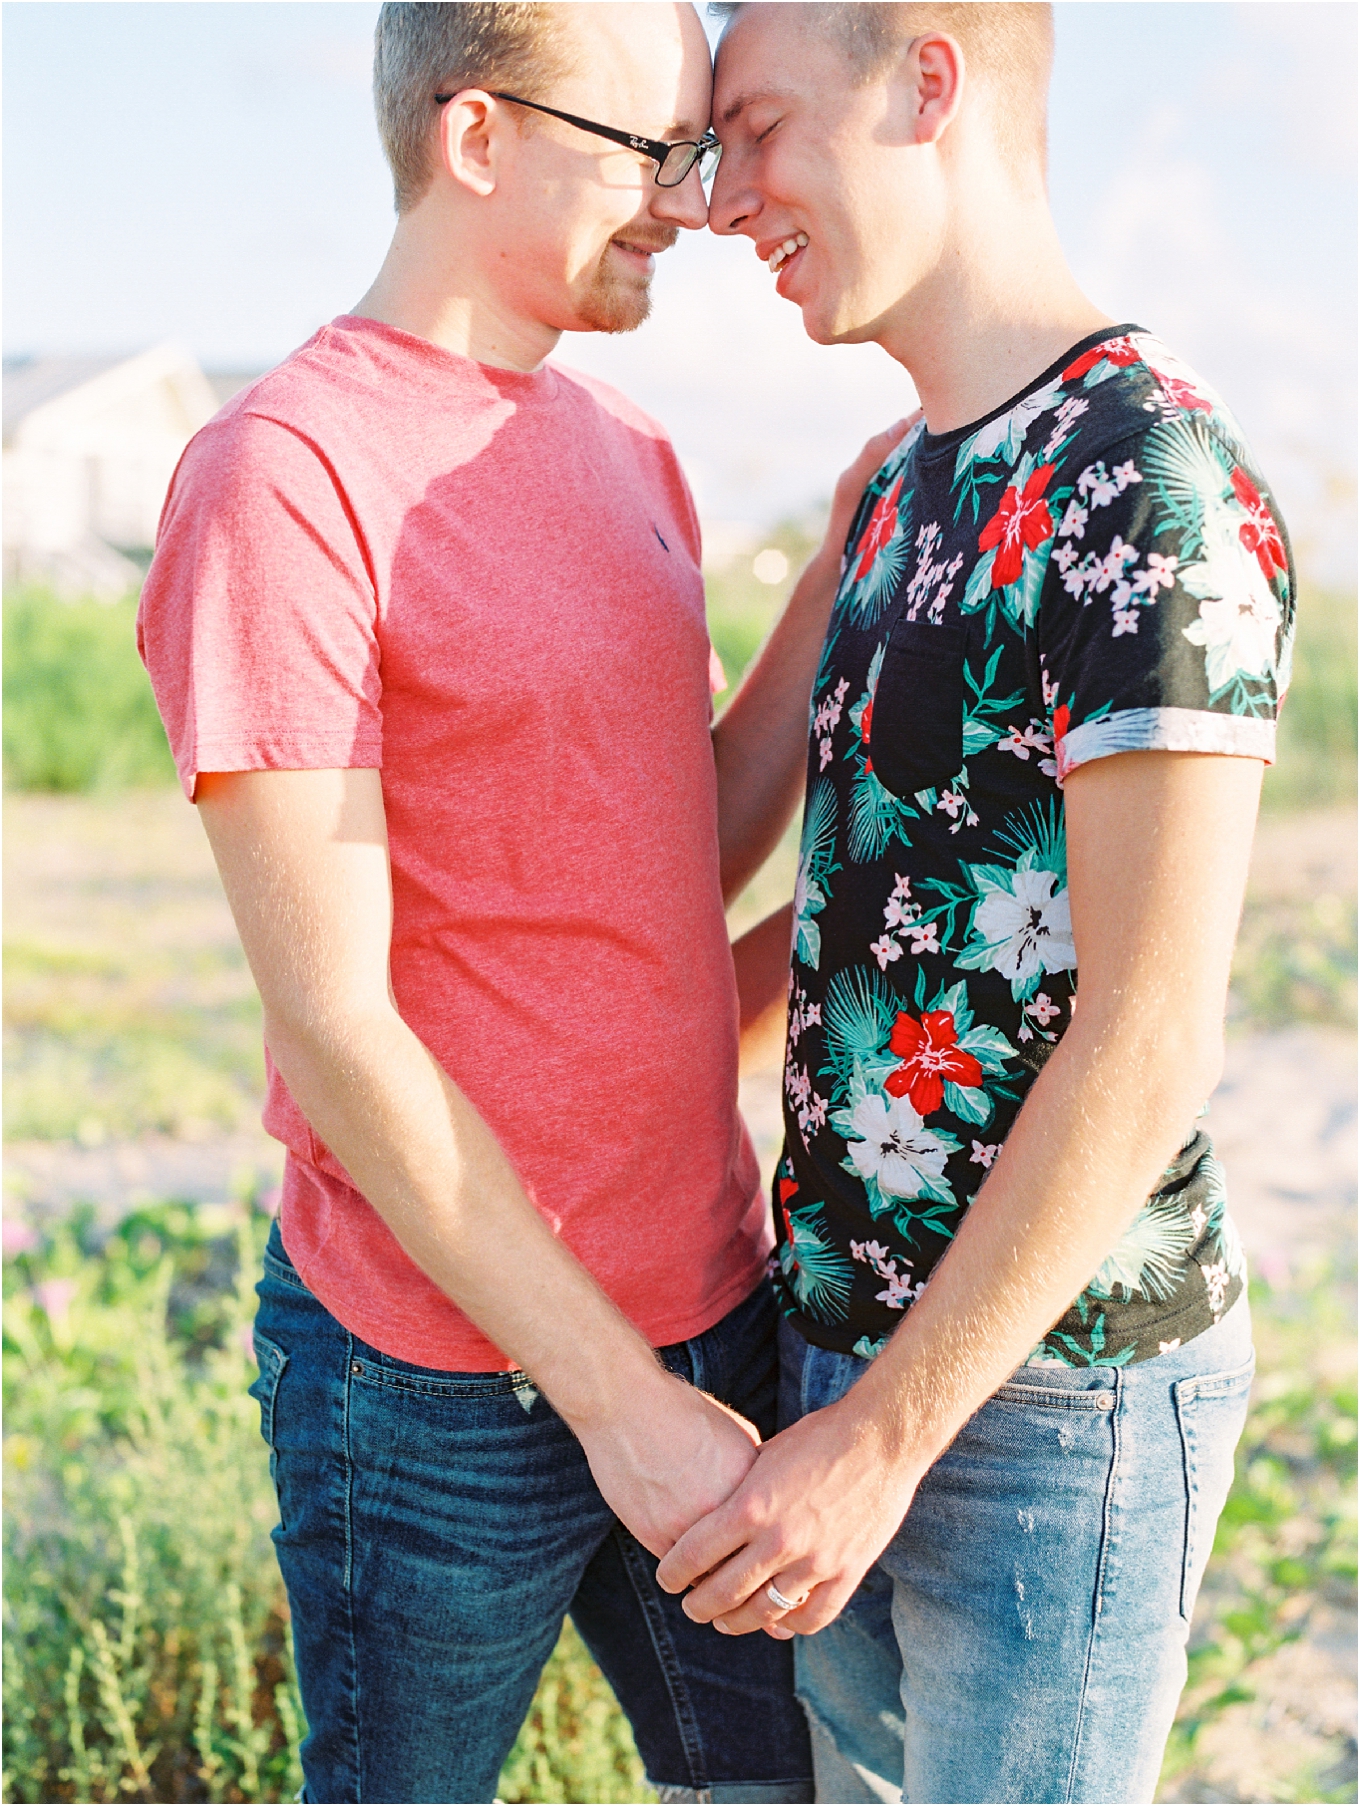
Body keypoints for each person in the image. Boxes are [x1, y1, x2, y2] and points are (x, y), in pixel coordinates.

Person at [133, 3, 886, 1798]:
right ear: (476, 137)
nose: (693, 206)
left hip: (709, 1306)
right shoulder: (285, 480)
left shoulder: (631, 452)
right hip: (430, 1374)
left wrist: (843, 553)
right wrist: (615, 1404)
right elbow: (336, 1018)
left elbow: (659, 851)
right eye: (653, 151)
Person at [657, 7, 1294, 1803]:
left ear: (925, 80)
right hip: (837, 1342)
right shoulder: (902, 480)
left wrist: (880, 1439)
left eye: (761, 129)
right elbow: (869, 907)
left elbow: (1155, 1031)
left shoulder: (1145, 475)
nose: (724, 200)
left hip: (1048, 1400)